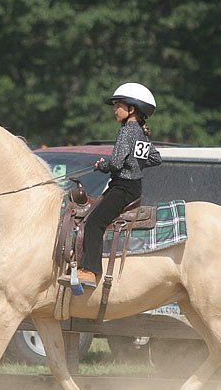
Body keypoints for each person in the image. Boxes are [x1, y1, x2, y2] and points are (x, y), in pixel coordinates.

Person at [59, 82, 162, 288]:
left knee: (94, 223)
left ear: (132, 109)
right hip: (132, 187)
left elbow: (115, 163)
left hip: (122, 187)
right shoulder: (141, 133)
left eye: (118, 106)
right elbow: (156, 158)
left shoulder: (127, 131)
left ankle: (91, 271)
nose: (115, 110)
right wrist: (135, 164)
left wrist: (104, 165)